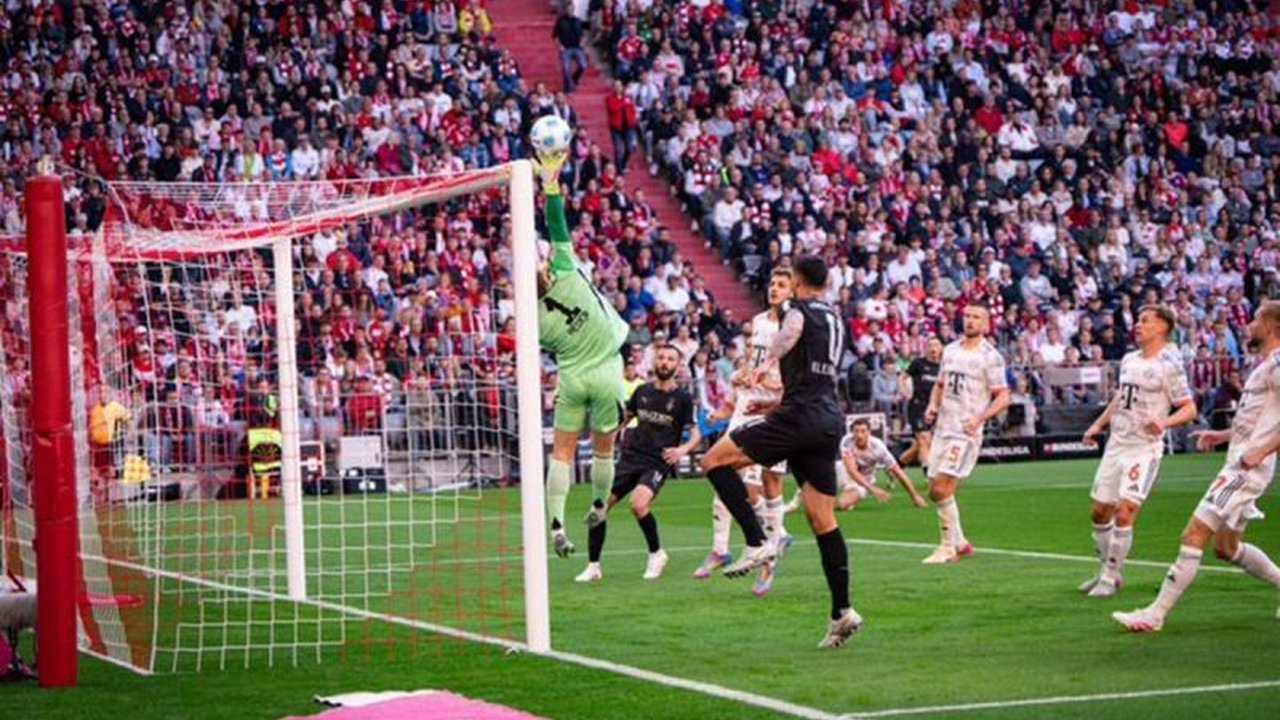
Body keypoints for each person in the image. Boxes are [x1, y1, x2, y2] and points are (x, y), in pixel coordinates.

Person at [699, 255, 862, 649]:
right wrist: (773, 404)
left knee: (713, 461)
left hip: (798, 418)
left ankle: (757, 541)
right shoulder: (837, 318)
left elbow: (788, 336)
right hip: (825, 420)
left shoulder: (797, 309)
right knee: (822, 519)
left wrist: (762, 365)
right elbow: (816, 377)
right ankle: (842, 612)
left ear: (799, 281)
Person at [1114, 302, 1280, 632]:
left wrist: (1260, 451)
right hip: (1242, 461)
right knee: (1226, 548)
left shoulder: (1277, 365)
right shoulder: (1265, 366)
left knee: (1194, 533)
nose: (1249, 325)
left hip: (1245, 470)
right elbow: (1259, 421)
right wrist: (1223, 435)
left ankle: (1155, 614)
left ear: (1273, 326)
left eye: (1256, 320)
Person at [533, 150, 630, 559]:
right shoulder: (566, 268)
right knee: (604, 449)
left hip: (571, 378)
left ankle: (556, 524)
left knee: (562, 454)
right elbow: (557, 223)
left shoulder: (534, 320)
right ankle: (599, 504)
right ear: (546, 272)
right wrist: (551, 185)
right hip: (607, 369)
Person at [1080, 305, 1197, 597]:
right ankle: (1106, 570)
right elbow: (1122, 397)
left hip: (1143, 449)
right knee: (1099, 512)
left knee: (1125, 511)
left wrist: (1164, 422)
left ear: (1162, 327)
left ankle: (1109, 577)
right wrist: (1098, 424)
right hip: (1117, 443)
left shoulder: (1169, 364)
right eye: (1138, 320)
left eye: (1145, 321)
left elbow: (1189, 408)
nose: (1138, 325)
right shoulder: (1129, 359)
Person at [693, 268, 794, 597]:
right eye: (772, 283)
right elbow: (752, 359)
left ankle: (768, 560)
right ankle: (728, 546)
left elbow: (792, 374)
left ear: (793, 291)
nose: (774, 289)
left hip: (775, 408)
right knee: (720, 467)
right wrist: (740, 378)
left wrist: (768, 383)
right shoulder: (760, 321)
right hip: (747, 404)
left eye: (781, 285)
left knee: (770, 482)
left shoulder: (795, 325)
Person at [576, 345, 700, 583]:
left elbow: (696, 433)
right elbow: (626, 418)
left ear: (678, 365)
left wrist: (682, 449)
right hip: (630, 457)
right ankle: (593, 567)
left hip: (657, 461)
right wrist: (609, 437)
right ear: (654, 362)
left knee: (638, 504)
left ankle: (656, 554)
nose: (664, 362)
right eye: (661, 358)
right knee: (598, 509)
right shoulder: (642, 391)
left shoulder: (683, 398)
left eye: (670, 359)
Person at [922, 304, 1010, 564]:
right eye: (967, 316)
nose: (970, 321)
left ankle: (947, 547)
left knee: (940, 489)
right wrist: (932, 405)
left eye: (976, 317)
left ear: (986, 324)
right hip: (943, 428)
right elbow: (941, 385)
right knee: (935, 487)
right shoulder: (949, 350)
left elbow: (1003, 396)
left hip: (964, 432)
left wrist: (980, 419)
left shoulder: (991, 356)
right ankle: (960, 542)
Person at [837, 418, 927, 511]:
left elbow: (898, 472)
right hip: (844, 472)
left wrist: (915, 496)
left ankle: (844, 499)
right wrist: (874, 489)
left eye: (863, 431)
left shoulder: (878, 447)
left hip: (865, 479)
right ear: (852, 432)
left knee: (842, 505)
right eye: (856, 431)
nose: (859, 435)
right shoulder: (847, 441)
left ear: (869, 432)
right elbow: (852, 471)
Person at [898, 337, 943, 475]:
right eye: (930, 345)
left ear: (941, 348)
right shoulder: (918, 363)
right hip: (918, 406)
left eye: (936, 345)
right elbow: (902, 377)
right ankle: (929, 474)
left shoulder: (944, 366)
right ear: (926, 348)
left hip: (935, 408)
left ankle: (897, 467)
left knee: (919, 446)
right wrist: (904, 390)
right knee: (924, 438)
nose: (933, 348)